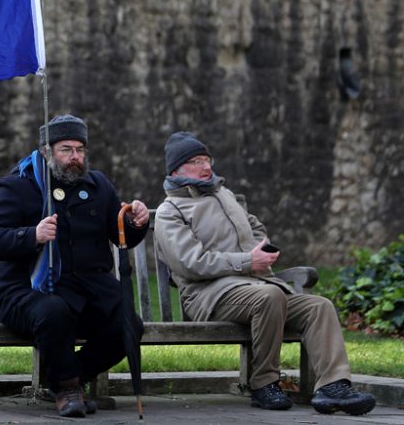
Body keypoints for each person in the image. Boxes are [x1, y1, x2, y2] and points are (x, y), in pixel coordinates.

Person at [154, 131, 376, 415]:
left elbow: (255, 226)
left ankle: (333, 387)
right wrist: (247, 261)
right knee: (269, 296)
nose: (206, 166)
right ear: (176, 169)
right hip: (207, 295)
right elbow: (191, 263)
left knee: (318, 306)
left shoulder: (225, 195)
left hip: (258, 286)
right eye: (196, 161)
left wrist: (261, 248)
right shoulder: (170, 211)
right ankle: (264, 384)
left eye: (207, 159)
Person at [0, 114, 149, 418]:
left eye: (80, 150)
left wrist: (135, 222)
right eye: (66, 150)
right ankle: (68, 389)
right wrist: (32, 235)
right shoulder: (19, 186)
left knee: (129, 325)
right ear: (47, 152)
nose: (75, 158)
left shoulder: (99, 186)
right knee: (54, 311)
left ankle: (65, 379)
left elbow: (121, 235)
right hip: (24, 292)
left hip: (87, 293)